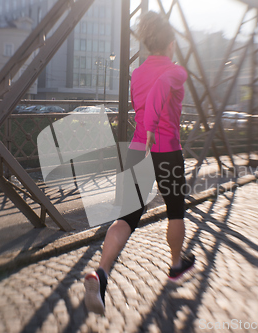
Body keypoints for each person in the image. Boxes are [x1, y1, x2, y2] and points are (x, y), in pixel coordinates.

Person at [84, 11, 195, 315]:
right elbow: (160, 92)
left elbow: (144, 99)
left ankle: (101, 273)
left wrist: (142, 137)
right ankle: (175, 265)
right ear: (171, 44)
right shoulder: (176, 71)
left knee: (126, 219)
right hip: (165, 151)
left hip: (136, 150)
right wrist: (149, 133)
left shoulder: (137, 73)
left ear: (147, 44)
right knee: (175, 211)